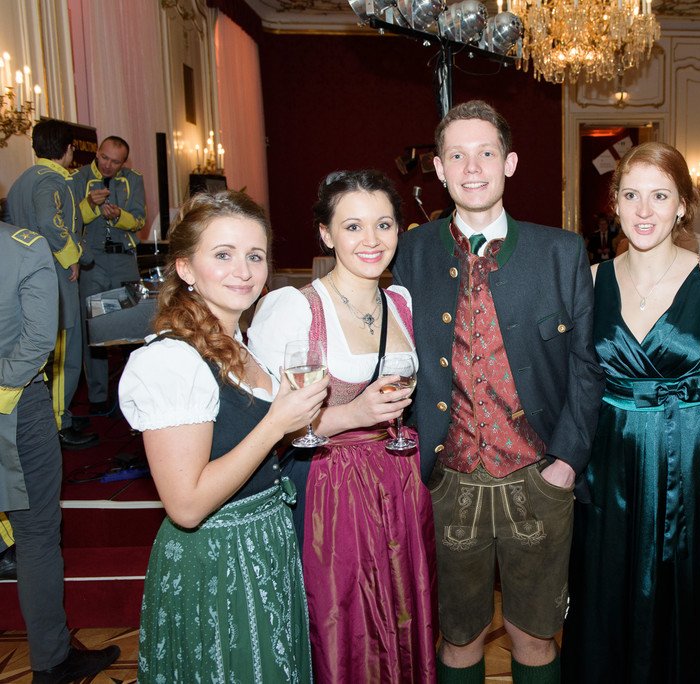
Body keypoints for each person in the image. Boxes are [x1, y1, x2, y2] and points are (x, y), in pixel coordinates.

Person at [391, 100, 604, 684]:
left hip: (538, 476)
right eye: (457, 155)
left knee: (533, 637)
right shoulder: (411, 252)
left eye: (486, 153)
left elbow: (587, 366)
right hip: (446, 480)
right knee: (457, 638)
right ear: (439, 168)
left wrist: (566, 463)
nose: (473, 167)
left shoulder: (561, 252)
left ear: (509, 162)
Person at [118, 191, 324, 682]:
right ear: (186, 268)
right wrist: (275, 424)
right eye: (224, 254)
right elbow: (186, 505)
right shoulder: (171, 361)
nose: (244, 271)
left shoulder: (242, 345)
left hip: (267, 543)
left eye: (255, 255)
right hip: (216, 560)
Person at [561, 142, 700, 682]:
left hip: (692, 459)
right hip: (609, 459)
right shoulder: (591, 278)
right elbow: (574, 381)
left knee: (686, 591)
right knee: (607, 588)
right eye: (632, 195)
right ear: (615, 203)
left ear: (683, 205)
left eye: (660, 196)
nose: (644, 211)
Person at [248, 170, 436, 683]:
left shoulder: (403, 303)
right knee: (342, 624)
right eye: (353, 227)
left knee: (404, 615)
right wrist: (353, 415)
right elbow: (264, 428)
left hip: (401, 482)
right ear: (326, 234)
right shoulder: (293, 309)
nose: (371, 240)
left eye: (384, 225)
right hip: (330, 491)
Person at [0, 219, 120, 682]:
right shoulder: (24, 247)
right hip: (15, 403)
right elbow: (36, 342)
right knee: (36, 534)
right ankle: (51, 662)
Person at [4, 119, 96, 450]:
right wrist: (71, 256)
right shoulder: (53, 179)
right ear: (69, 149)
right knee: (64, 350)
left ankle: (60, 413)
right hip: (53, 274)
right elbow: (50, 221)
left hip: (22, 275)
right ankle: (59, 421)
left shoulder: (22, 180)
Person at [72, 135, 146, 416]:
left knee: (132, 328)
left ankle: (135, 392)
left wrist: (118, 216)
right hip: (93, 263)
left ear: (123, 162)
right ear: (97, 152)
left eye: (115, 162)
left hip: (124, 261)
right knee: (95, 329)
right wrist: (90, 205)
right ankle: (98, 397)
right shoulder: (78, 178)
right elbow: (72, 220)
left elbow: (139, 220)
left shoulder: (133, 180)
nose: (107, 165)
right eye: (104, 157)